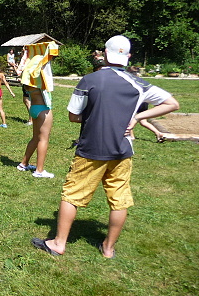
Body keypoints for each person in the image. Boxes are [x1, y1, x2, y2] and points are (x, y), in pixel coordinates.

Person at [31, 35, 179, 258]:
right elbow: (172, 103)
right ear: (128, 56)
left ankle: (59, 243)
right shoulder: (138, 84)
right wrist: (137, 117)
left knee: (72, 195)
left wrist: (94, 116)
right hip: (122, 151)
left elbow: (73, 116)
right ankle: (108, 248)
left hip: (91, 149)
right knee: (119, 199)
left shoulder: (90, 80)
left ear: (105, 54)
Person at [17, 41, 60, 178]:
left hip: (34, 108)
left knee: (35, 138)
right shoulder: (40, 78)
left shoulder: (29, 79)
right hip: (43, 110)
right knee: (43, 139)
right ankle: (39, 170)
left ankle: (23, 163)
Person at [127, 66, 166, 142]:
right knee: (143, 122)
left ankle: (131, 136)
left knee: (128, 119)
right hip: (144, 101)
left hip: (136, 101)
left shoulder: (129, 80)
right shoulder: (140, 80)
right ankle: (158, 133)